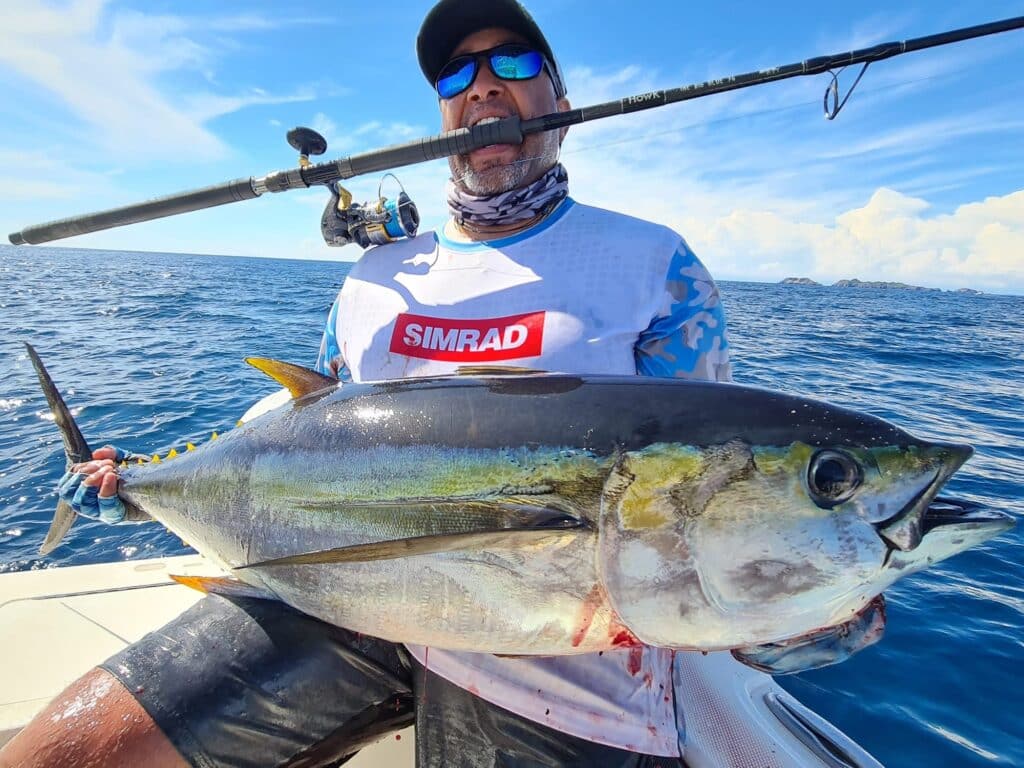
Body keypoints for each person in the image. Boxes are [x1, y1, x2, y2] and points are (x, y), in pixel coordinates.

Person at [1, 2, 882, 767]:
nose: (483, 85)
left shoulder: (654, 263)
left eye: (514, 62)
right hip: (340, 600)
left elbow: (704, 471)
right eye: (458, 72)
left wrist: (804, 613)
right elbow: (315, 426)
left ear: (562, 105)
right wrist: (148, 483)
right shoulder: (378, 274)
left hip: (565, 666)